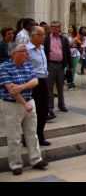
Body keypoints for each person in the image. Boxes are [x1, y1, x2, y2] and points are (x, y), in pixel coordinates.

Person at [0, 44, 49, 175]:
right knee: (14, 136)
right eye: (24, 52)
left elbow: (35, 81)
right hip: (12, 105)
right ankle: (15, 164)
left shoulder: (27, 64)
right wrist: (24, 103)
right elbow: (11, 89)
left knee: (32, 133)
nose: (27, 54)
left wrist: (21, 87)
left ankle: (36, 159)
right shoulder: (4, 67)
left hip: (29, 101)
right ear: (14, 53)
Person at [27, 27, 50, 146]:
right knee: (32, 112)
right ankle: (29, 137)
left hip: (43, 81)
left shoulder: (42, 48)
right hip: (32, 82)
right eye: (41, 35)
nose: (44, 37)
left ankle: (40, 135)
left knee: (44, 110)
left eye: (44, 35)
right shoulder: (26, 49)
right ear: (34, 36)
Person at [44, 21, 72, 116]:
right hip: (50, 65)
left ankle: (61, 104)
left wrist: (69, 65)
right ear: (51, 28)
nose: (55, 29)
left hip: (61, 65)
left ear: (60, 28)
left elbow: (67, 52)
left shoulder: (64, 39)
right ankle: (50, 107)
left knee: (60, 85)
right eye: (53, 27)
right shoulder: (47, 39)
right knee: (49, 87)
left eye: (57, 27)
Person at [66, 26, 80, 90]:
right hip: (68, 54)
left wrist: (76, 43)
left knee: (73, 69)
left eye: (71, 28)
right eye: (69, 27)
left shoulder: (76, 36)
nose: (70, 29)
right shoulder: (66, 36)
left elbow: (81, 44)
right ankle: (69, 82)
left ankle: (72, 82)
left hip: (75, 54)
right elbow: (67, 44)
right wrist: (73, 41)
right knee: (68, 68)